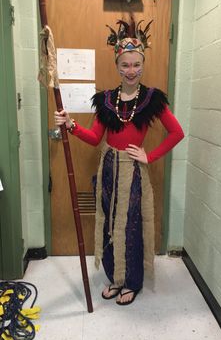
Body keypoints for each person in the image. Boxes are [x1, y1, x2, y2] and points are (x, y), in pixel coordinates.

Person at [54, 18, 184, 306]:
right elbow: (94, 137)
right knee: (109, 223)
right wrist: (71, 125)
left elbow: (177, 133)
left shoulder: (152, 99)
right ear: (117, 65)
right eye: (125, 65)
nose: (131, 70)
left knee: (131, 225)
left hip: (133, 172)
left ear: (143, 64)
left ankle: (132, 282)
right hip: (108, 169)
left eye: (136, 64)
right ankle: (115, 277)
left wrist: (149, 156)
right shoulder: (106, 100)